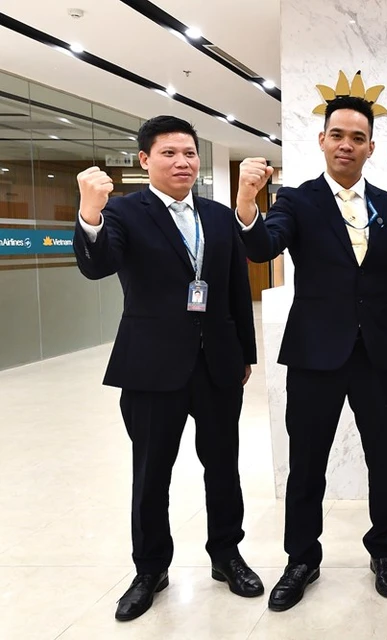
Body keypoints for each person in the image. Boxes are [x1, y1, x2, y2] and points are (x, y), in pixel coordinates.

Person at [235, 95, 387, 611]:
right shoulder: (298, 202)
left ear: (371, 146)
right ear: (322, 141)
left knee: (385, 460)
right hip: (315, 353)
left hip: (380, 354)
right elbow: (261, 247)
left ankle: (384, 550)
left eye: (357, 137)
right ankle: (302, 557)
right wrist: (248, 203)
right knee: (307, 463)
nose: (347, 145)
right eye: (337, 135)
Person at [73, 115, 261, 622]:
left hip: (217, 363)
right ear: (144, 160)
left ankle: (227, 554)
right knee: (151, 472)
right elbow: (96, 264)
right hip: (151, 365)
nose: (182, 162)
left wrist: (245, 350)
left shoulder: (219, 217)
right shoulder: (126, 213)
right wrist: (90, 212)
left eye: (189, 153)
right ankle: (150, 568)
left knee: (223, 466)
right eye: (169, 153)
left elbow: (233, 289)